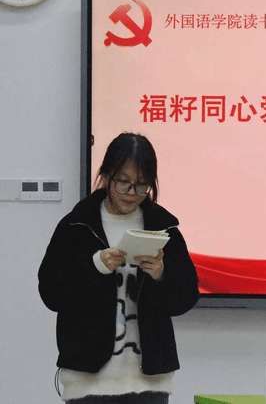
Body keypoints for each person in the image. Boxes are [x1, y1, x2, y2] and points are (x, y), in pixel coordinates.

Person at [38, 132, 199, 404]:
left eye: (141, 184)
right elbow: (51, 293)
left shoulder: (163, 226)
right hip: (88, 380)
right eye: (123, 182)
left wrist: (161, 274)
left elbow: (186, 297)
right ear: (105, 176)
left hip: (149, 381)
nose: (132, 193)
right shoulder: (77, 225)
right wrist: (95, 266)